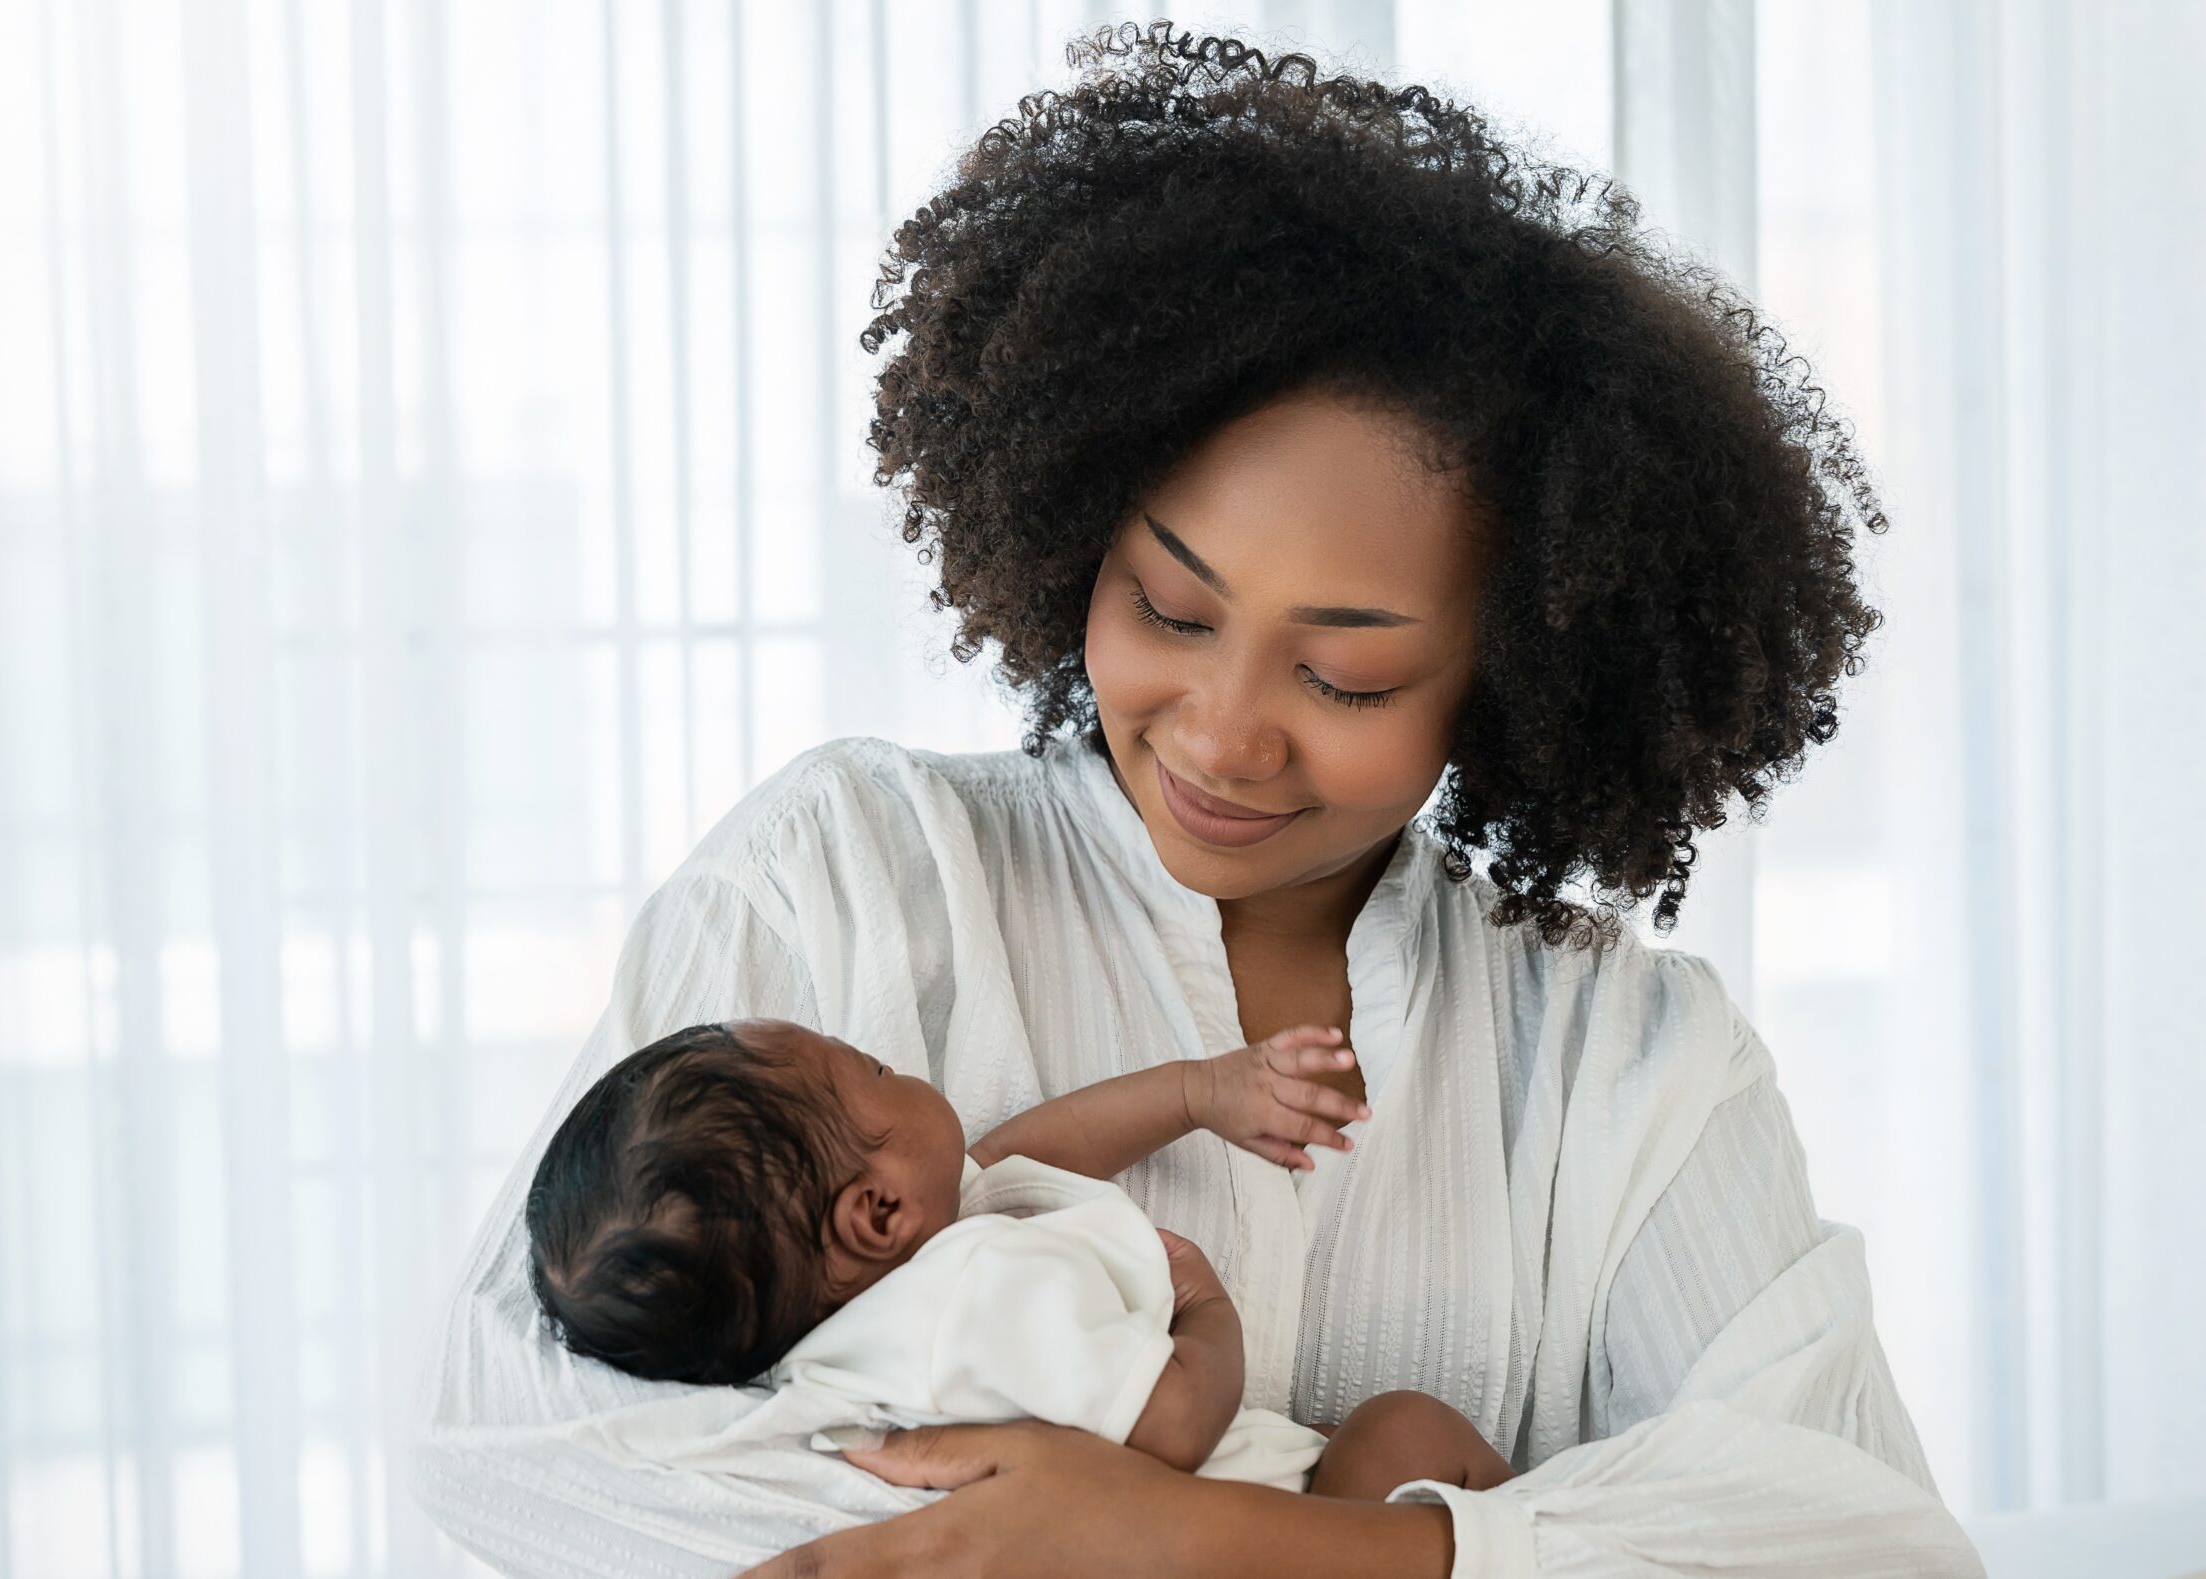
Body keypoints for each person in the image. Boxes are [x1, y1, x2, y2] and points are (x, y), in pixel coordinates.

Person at [407, 20, 1985, 1578]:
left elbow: (1872, 1548)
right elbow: (516, 1444)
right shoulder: (848, 876)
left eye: (1348, 678)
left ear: (1513, 676)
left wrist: (1193, 1537)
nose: (1226, 736)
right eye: (1170, 608)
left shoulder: (1630, 1068)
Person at [518, 1015, 1516, 1498]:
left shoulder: (864, 1327)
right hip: (1263, 1528)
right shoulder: (971, 1296)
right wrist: (1207, 1313)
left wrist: (1193, 1093)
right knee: (1403, 1429)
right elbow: (1171, 1425)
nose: (891, 1060)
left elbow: (1022, 1156)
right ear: (874, 1211)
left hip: (1230, 1501)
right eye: (875, 1070)